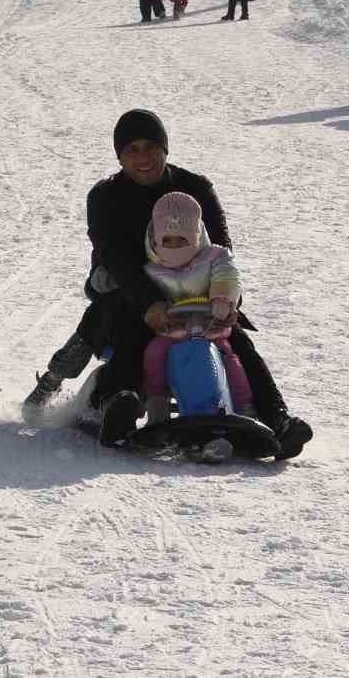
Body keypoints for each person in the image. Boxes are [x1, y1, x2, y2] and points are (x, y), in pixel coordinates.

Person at [22, 110, 313, 457]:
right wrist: (149, 304)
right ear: (119, 155)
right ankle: (117, 405)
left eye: (151, 147)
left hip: (195, 296)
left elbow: (222, 254)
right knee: (131, 334)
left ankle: (276, 418)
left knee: (238, 344)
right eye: (132, 150)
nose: (143, 158)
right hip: (129, 293)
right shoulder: (106, 196)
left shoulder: (195, 188)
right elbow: (115, 258)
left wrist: (226, 301)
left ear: (165, 149)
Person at [139, 191, 254, 424]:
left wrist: (222, 299)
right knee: (154, 354)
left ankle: (244, 408)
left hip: (210, 328)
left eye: (182, 240)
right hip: (171, 331)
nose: (174, 246)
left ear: (196, 236)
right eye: (167, 240)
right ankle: (157, 405)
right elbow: (141, 294)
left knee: (230, 360)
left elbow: (228, 275)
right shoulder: (151, 269)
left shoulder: (215, 257)